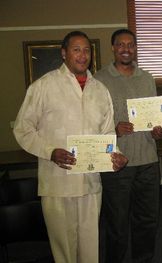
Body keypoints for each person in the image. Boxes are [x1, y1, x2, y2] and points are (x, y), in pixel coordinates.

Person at [13, 31, 128, 263]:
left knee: (90, 250)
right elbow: (23, 129)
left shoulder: (99, 90)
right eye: (76, 49)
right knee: (64, 252)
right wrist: (50, 152)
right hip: (58, 182)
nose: (82, 55)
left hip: (90, 183)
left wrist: (116, 156)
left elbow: (106, 134)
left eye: (86, 50)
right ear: (64, 53)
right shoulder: (43, 86)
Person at [94, 29, 162, 263]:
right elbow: (92, 121)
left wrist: (157, 131)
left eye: (131, 45)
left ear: (136, 48)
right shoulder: (99, 79)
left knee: (147, 220)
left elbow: (155, 119)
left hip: (147, 161)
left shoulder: (147, 78)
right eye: (121, 44)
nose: (126, 49)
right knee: (117, 223)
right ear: (113, 48)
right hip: (117, 162)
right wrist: (114, 130)